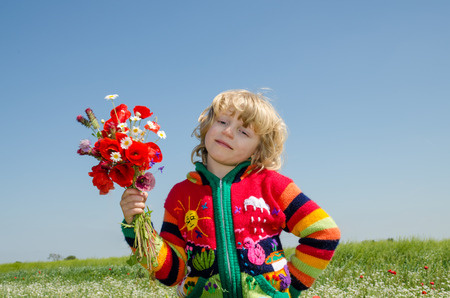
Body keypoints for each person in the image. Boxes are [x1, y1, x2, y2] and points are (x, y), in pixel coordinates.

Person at [120, 89, 340, 298]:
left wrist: (289, 289)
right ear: (207, 126)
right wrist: (135, 224)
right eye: (223, 122)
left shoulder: (273, 186)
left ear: (258, 149)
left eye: (243, 131)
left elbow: (324, 233)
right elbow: (172, 272)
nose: (227, 132)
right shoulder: (181, 195)